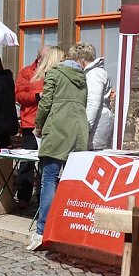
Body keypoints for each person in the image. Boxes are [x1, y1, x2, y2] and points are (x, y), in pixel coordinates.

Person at [27, 42, 92, 252]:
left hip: (58, 130)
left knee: (49, 180)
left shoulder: (55, 73)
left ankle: (42, 232)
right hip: (79, 131)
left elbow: (45, 103)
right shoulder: (83, 77)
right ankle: (68, 230)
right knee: (70, 182)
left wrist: (38, 126)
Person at [15, 45, 65, 208]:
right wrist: (37, 96)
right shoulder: (27, 72)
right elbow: (19, 95)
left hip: (51, 124)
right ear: (39, 58)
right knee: (27, 162)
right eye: (46, 58)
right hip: (30, 123)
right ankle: (23, 196)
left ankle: (42, 196)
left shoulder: (56, 72)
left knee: (48, 164)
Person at [83, 45, 114, 150]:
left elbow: (93, 102)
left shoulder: (94, 74)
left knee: (93, 155)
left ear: (82, 59)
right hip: (99, 117)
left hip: (97, 120)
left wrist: (86, 127)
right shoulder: (93, 73)